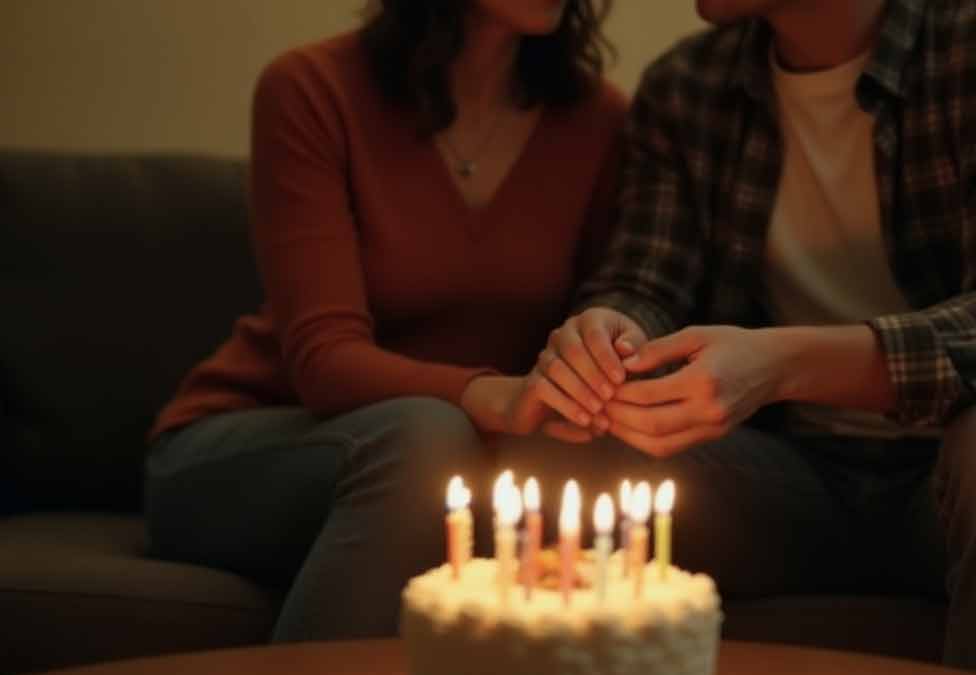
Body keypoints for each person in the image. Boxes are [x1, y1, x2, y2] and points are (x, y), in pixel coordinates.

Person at [501, 0, 976, 675]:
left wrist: (782, 364)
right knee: (571, 442)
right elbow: (645, 280)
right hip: (797, 480)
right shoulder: (686, 86)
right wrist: (606, 331)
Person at [143, 0, 625, 642]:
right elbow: (324, 360)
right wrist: (492, 396)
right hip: (255, 442)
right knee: (423, 438)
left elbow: (596, 318)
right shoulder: (312, 89)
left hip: (460, 464)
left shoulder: (600, 121)